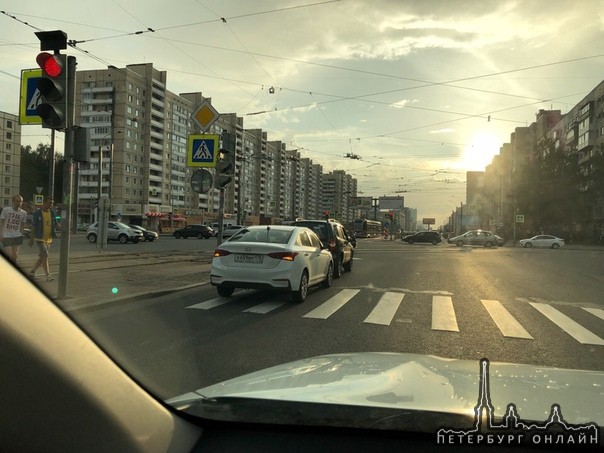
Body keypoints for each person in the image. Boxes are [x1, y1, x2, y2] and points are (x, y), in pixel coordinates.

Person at [29, 197, 59, 281]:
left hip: (49, 239)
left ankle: (32, 272)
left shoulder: (52, 213)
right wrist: (31, 239)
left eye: (52, 203)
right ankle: (48, 275)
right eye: (49, 203)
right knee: (45, 254)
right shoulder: (37, 213)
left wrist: (64, 229)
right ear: (44, 203)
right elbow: (34, 226)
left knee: (42, 256)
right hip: (40, 238)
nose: (51, 205)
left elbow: (56, 224)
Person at [0, 194, 27, 263]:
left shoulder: (23, 213)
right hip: (7, 235)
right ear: (13, 201)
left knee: (14, 255)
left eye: (21, 201)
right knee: (9, 253)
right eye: (17, 201)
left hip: (17, 235)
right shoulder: (6, 210)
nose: (19, 203)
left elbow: (23, 224)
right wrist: (1, 234)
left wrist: (21, 233)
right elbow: (1, 222)